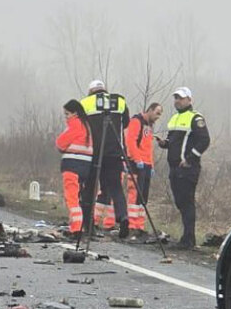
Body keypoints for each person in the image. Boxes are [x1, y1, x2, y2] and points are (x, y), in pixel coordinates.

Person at [157, 87, 210, 249]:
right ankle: (186, 237)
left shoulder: (196, 118)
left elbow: (205, 140)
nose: (177, 101)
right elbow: (172, 141)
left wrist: (190, 158)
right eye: (176, 98)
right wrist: (164, 143)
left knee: (187, 203)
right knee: (180, 202)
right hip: (174, 168)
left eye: (180, 98)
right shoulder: (174, 118)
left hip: (187, 169)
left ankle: (188, 239)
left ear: (189, 100)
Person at [83, 80, 131, 238]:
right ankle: (123, 216)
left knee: (90, 188)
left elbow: (82, 128)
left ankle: (89, 225)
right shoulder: (119, 101)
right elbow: (126, 124)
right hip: (114, 153)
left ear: (91, 91)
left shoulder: (85, 103)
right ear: (105, 90)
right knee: (116, 187)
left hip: (94, 153)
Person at [124, 102, 163, 239]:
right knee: (135, 195)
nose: (158, 117)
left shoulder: (149, 126)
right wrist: (137, 159)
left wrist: (151, 165)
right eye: (157, 113)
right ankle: (132, 226)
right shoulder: (136, 121)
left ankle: (139, 226)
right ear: (150, 110)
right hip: (137, 164)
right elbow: (131, 142)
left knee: (143, 198)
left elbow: (148, 147)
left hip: (146, 165)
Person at [55, 99, 94, 237]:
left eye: (67, 114)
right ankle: (76, 225)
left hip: (72, 165)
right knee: (78, 197)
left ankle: (76, 228)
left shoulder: (75, 124)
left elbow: (60, 143)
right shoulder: (87, 126)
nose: (66, 117)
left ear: (75, 113)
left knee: (72, 197)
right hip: (85, 167)